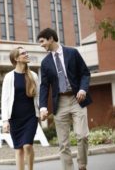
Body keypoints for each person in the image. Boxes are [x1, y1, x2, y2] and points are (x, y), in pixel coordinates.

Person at [37, 28, 92, 170]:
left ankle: (82, 165)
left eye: (42, 41)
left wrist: (82, 89)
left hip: (76, 100)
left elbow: (85, 73)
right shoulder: (45, 62)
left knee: (82, 136)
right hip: (59, 103)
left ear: (50, 38)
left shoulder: (72, 53)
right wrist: (43, 107)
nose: (41, 45)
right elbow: (44, 86)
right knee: (63, 143)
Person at [1, 47, 40, 170]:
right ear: (16, 58)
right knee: (19, 149)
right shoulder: (9, 77)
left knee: (27, 145)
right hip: (15, 118)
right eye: (23, 53)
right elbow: (5, 99)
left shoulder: (33, 75)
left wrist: (42, 110)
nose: (26, 54)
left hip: (31, 116)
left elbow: (38, 96)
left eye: (26, 52)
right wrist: (5, 120)